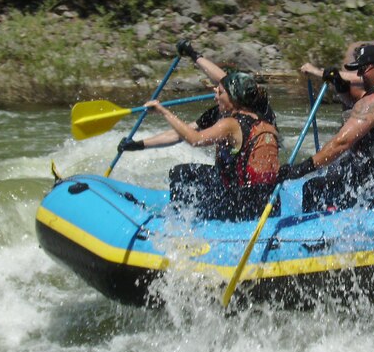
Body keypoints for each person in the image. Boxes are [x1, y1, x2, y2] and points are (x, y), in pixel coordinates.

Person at [119, 40, 280, 220]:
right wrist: (139, 144)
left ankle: (179, 221)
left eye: (219, 92)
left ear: (233, 96)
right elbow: (179, 133)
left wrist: (163, 112)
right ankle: (179, 213)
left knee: (195, 197)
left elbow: (194, 139)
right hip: (252, 192)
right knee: (182, 173)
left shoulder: (232, 121)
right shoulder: (249, 114)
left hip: (242, 197)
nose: (215, 94)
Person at [279, 44, 374, 212]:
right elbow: (359, 99)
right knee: (344, 168)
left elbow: (341, 143)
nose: (359, 75)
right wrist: (340, 84)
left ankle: (314, 233)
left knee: (313, 188)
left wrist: (301, 169)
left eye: (362, 70)